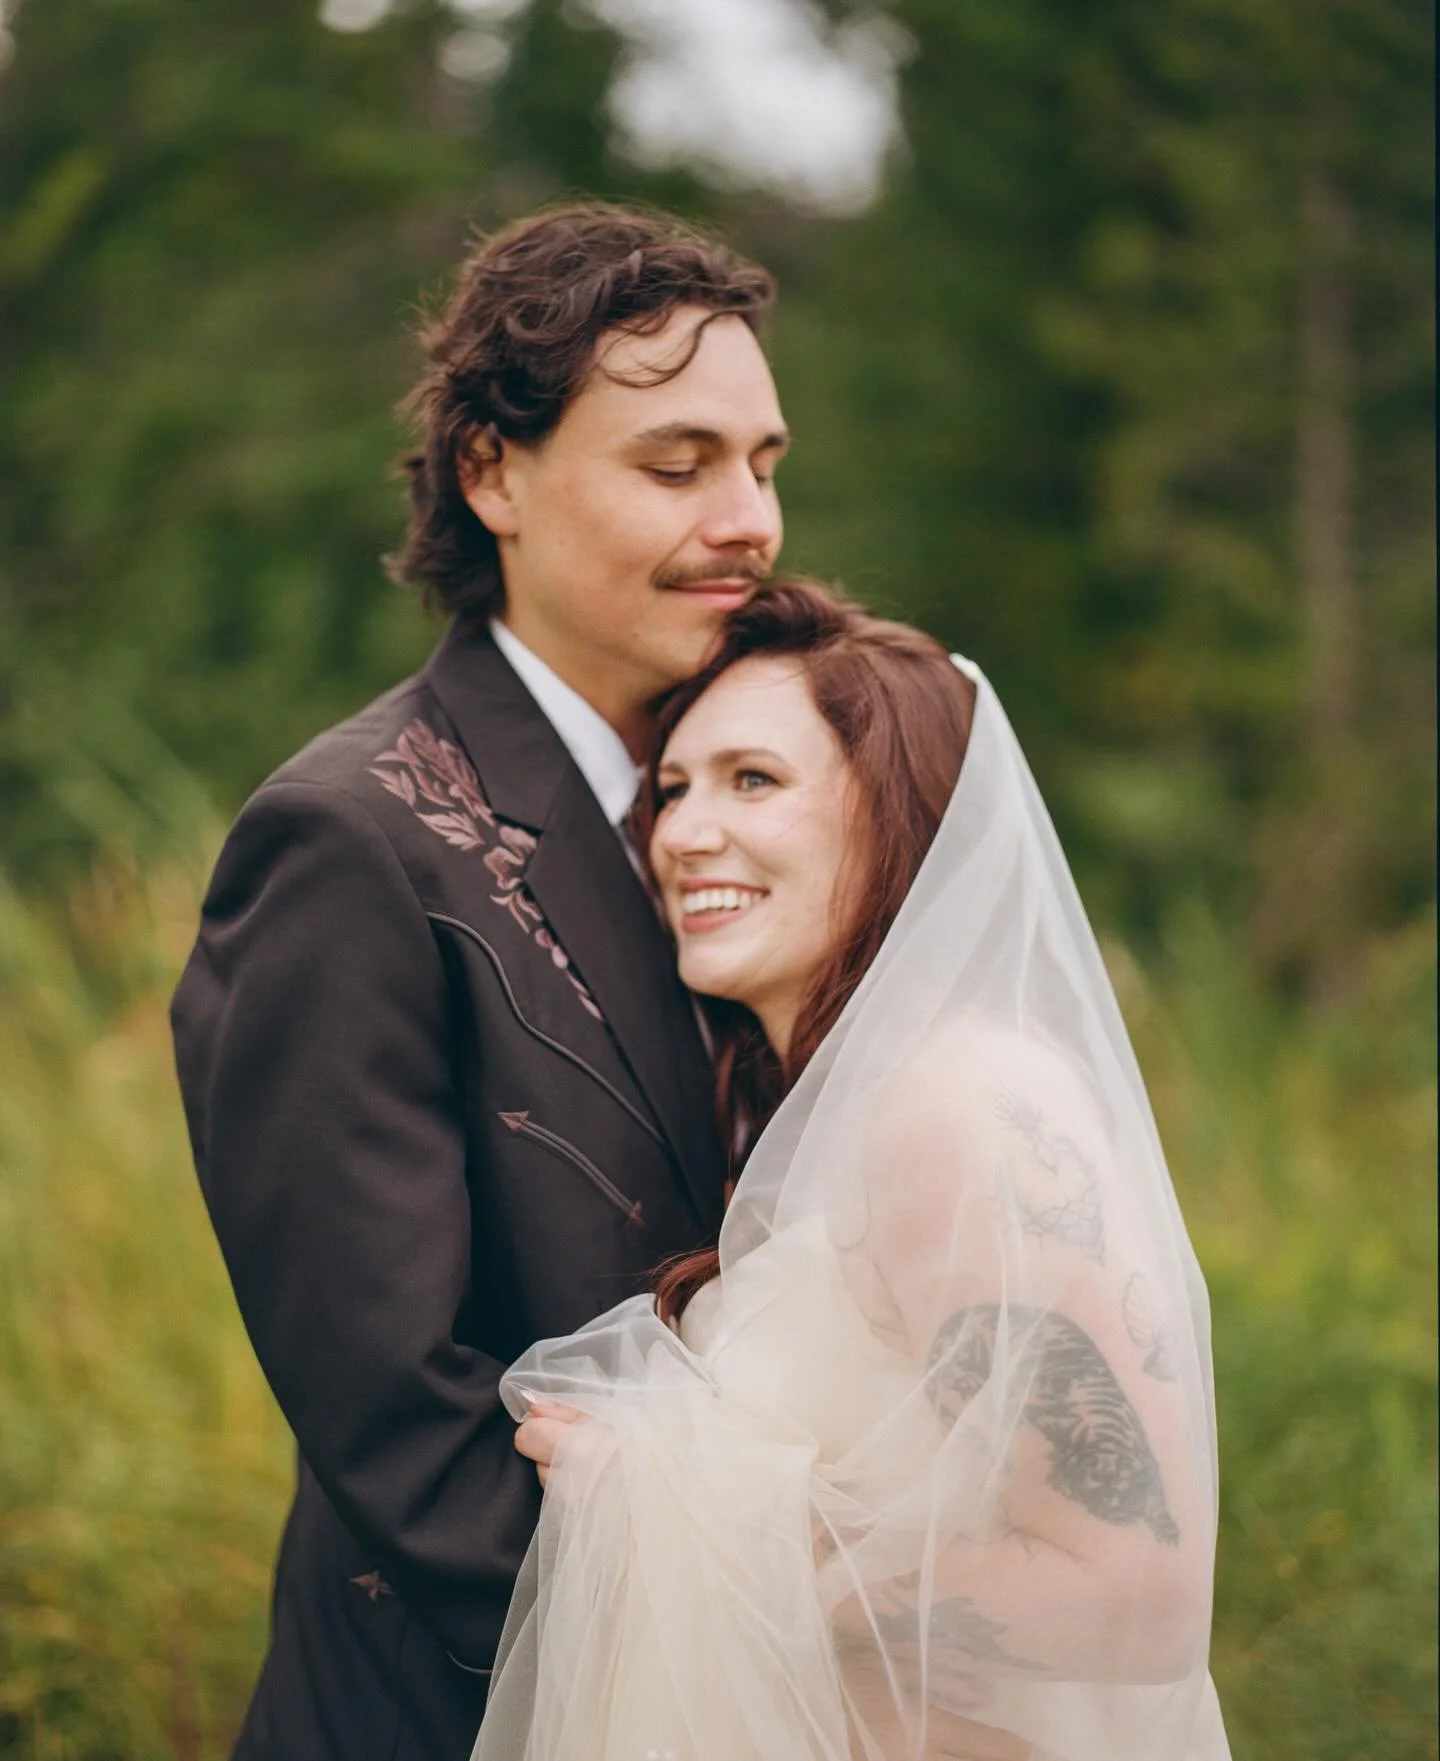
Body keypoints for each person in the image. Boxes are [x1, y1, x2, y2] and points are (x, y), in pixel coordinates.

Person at [169, 202, 789, 1761]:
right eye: (677, 466)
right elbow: (398, 1411)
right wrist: (711, 1682)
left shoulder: (781, 795)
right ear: (492, 471)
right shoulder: (348, 842)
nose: (749, 520)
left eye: (763, 464)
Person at [481, 581, 1234, 1760]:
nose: (680, 834)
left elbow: (1134, 1594)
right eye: (671, 790)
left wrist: (669, 1508)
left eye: (754, 781)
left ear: (898, 815)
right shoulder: (829, 1115)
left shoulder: (957, 1110)